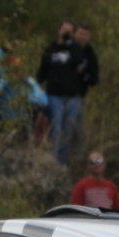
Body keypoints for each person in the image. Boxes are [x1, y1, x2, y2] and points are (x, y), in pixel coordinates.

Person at [36, 19, 85, 165]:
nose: (66, 33)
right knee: (56, 128)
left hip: (72, 96)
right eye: (64, 30)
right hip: (54, 95)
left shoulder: (75, 48)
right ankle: (53, 161)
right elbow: (43, 70)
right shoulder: (51, 48)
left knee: (67, 130)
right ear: (59, 30)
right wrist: (35, 87)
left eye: (69, 31)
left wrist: (70, 44)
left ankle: (62, 163)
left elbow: (80, 62)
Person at [70, 23, 99, 160]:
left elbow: (94, 78)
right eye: (80, 33)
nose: (83, 37)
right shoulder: (67, 48)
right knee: (59, 127)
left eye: (86, 34)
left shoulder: (90, 54)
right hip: (60, 94)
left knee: (77, 130)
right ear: (75, 34)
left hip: (78, 96)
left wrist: (82, 74)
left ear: (89, 36)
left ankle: (77, 158)